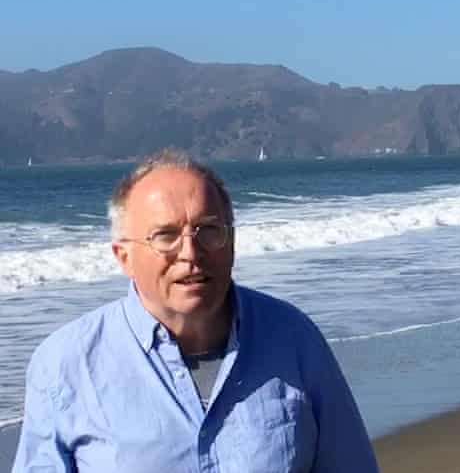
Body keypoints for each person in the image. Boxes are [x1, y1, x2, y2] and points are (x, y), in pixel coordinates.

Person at [13, 148, 379, 472]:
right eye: (165, 235)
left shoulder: (292, 337)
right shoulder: (68, 363)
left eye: (208, 230)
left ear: (232, 241)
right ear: (123, 256)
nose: (191, 253)